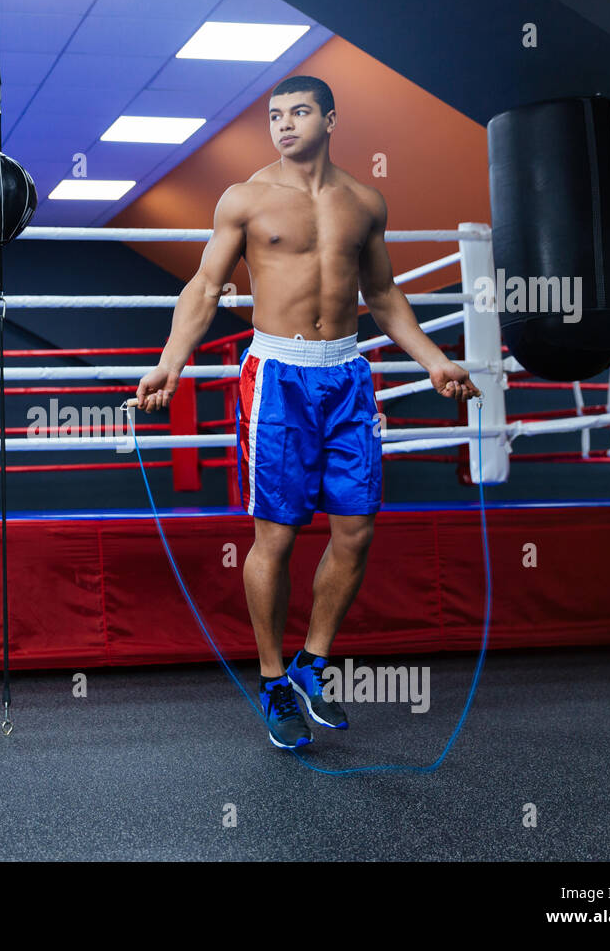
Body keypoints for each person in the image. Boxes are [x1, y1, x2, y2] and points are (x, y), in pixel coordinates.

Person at [136, 75, 480, 750]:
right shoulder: (246, 198)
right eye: (274, 115)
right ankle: (271, 682)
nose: (284, 124)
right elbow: (205, 287)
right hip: (278, 377)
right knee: (279, 538)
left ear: (329, 118)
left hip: (348, 376)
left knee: (356, 530)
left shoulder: (364, 201)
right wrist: (170, 364)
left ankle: (311, 664)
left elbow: (383, 296)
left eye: (298, 112)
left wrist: (433, 359)